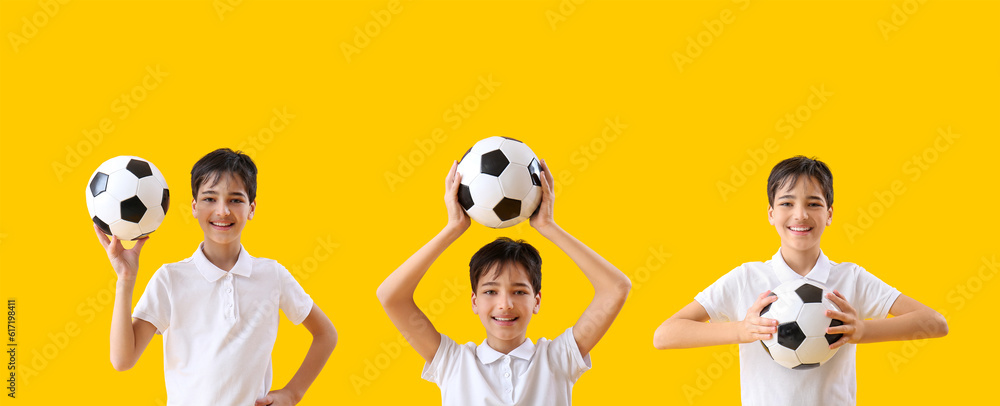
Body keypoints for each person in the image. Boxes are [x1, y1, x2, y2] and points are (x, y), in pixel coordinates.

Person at [653, 155, 948, 405]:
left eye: (814, 204)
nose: (800, 215)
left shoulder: (850, 278)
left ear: (830, 214)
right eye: (786, 203)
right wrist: (742, 329)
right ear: (770, 213)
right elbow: (665, 335)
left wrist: (862, 331)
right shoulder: (746, 278)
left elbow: (935, 323)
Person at [377, 159, 631, 405]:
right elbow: (390, 296)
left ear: (537, 300)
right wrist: (452, 227)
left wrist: (548, 226)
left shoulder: (557, 360)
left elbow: (616, 288)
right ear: (474, 302)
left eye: (519, 292)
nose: (505, 304)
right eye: (490, 291)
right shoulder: (452, 362)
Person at [96, 148, 337, 406]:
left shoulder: (272, 275)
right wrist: (125, 279)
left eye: (235, 200)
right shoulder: (170, 279)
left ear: (252, 208)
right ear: (194, 207)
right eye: (210, 199)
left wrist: (293, 393)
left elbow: (326, 334)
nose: (222, 211)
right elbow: (122, 360)